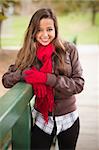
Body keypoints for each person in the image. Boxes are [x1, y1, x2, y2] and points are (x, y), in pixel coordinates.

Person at [2, 8, 85, 150]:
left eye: (49, 29)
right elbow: (6, 80)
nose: (45, 35)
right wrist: (23, 74)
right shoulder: (27, 54)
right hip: (42, 120)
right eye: (39, 30)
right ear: (33, 31)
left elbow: (78, 84)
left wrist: (46, 78)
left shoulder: (69, 50)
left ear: (55, 30)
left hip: (69, 118)